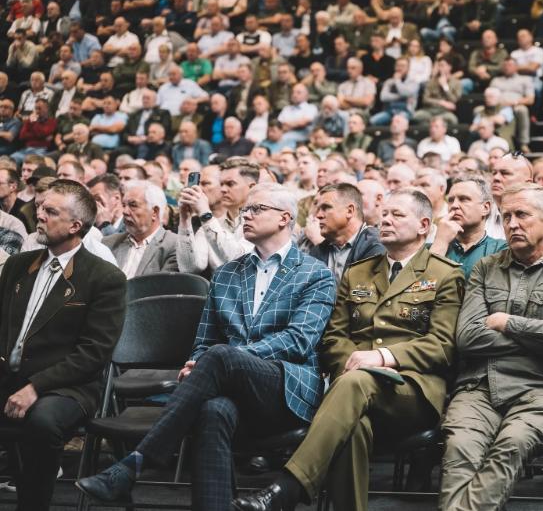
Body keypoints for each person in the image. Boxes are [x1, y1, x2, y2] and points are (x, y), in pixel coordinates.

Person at [76, 183, 337, 510]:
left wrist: (226, 357)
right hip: (230, 386)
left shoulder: (315, 274)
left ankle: (136, 463)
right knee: (213, 411)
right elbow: (205, 342)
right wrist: (198, 362)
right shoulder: (227, 274)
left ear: (285, 218)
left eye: (256, 209)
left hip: (287, 388)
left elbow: (299, 342)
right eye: (245, 209)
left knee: (222, 356)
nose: (246, 215)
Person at [232, 188, 464, 511]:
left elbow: (443, 344)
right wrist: (353, 363)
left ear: (424, 225)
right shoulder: (359, 272)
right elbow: (333, 338)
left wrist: (382, 357)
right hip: (353, 389)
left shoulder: (444, 274)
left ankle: (287, 487)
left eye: (397, 215)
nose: (386, 220)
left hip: (412, 391)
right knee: (353, 428)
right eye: (384, 213)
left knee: (355, 383)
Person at [438, 182, 543, 510]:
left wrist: (507, 322)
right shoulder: (487, 267)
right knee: (460, 449)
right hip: (480, 387)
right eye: (506, 217)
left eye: (522, 215)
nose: (512, 224)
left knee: (511, 445)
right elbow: (467, 338)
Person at [0, 179, 126, 509]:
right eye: (41, 208)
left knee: (42, 422)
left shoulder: (104, 277)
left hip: (68, 387)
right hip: (9, 376)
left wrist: (35, 387)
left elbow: (94, 353)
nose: (39, 215)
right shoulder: (17, 266)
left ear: (75, 225)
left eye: (51, 211)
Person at [176, 158, 258, 274]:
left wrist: (205, 213)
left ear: (251, 187)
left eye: (230, 184)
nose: (223, 189)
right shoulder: (210, 224)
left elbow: (239, 262)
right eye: (221, 184)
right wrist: (185, 219)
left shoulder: (261, 222)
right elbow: (189, 268)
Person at [429, 175, 506, 279]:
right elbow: (422, 288)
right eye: (450, 200)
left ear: (485, 208)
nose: (454, 205)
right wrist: (440, 243)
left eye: (464, 199)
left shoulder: (501, 249)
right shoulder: (430, 248)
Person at [307, 183, 385, 283]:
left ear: (349, 211)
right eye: (318, 209)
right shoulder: (317, 252)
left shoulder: (377, 246)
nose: (318, 215)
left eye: (326, 207)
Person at [102, 180, 178, 278]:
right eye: (124, 205)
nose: (125, 211)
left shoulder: (174, 245)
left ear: (154, 212)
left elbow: (161, 286)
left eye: (133, 205)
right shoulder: (108, 243)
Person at [488, 154, 543, 245]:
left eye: (505, 173)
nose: (496, 178)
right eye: (494, 173)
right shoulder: (480, 217)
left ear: (527, 183)